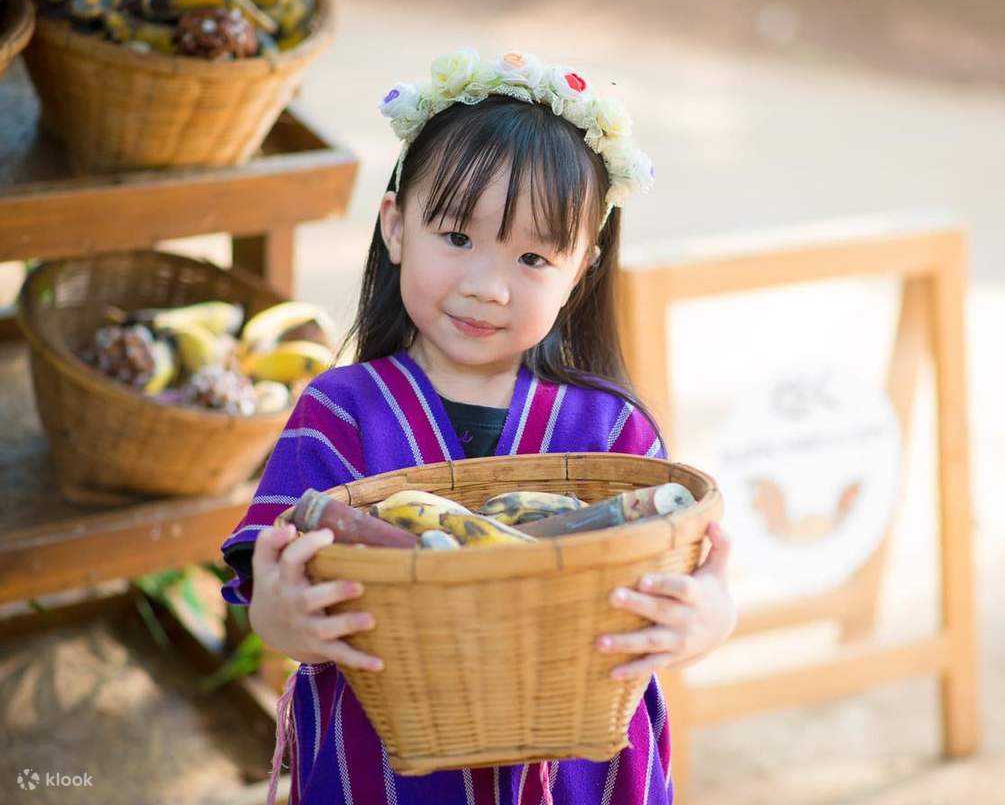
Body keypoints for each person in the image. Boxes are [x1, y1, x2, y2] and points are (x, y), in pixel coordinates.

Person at [217, 49, 737, 805]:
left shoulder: (612, 434)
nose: (486, 286)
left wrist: (707, 617)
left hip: (577, 775)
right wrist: (284, 617)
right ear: (395, 226)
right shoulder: (338, 414)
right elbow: (268, 580)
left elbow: (689, 577)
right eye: (456, 237)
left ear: (581, 270)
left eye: (531, 256)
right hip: (379, 766)